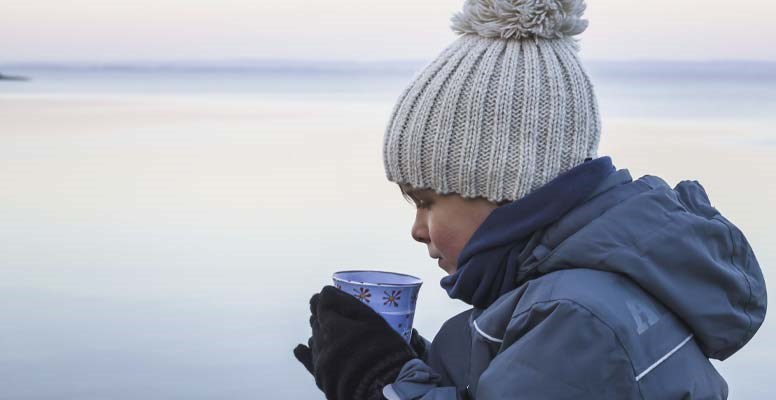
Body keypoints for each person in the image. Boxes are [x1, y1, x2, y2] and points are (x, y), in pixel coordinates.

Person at [293, 0, 768, 398]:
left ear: (504, 186)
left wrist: (377, 383)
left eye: (427, 201)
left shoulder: (576, 318)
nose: (417, 229)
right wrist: (409, 364)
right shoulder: (566, 296)